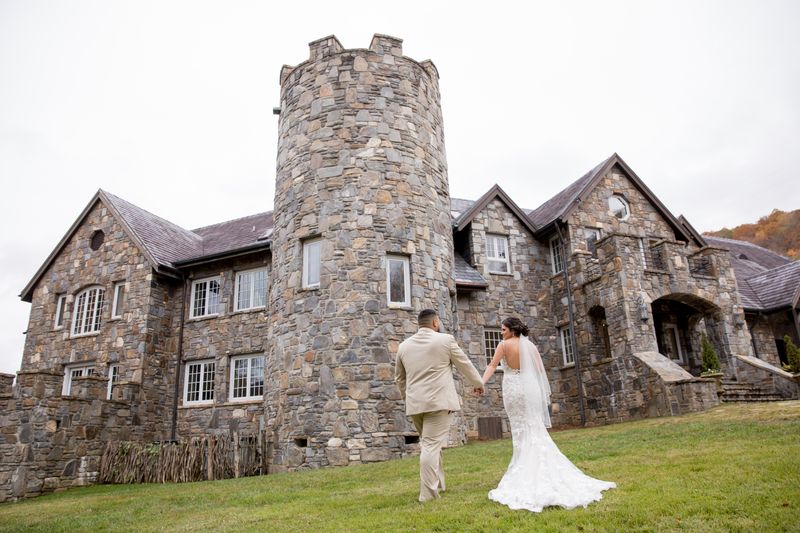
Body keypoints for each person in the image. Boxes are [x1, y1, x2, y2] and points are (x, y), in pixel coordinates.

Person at [482, 317, 616, 512]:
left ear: (512, 330)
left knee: (519, 429)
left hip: (513, 390)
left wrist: (481, 383)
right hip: (530, 390)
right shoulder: (531, 347)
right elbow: (539, 371)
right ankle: (536, 466)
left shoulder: (503, 345)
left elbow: (492, 366)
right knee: (533, 426)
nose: (501, 333)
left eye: (503, 329)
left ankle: (524, 471)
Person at [395, 308, 485, 502]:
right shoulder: (445, 340)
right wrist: (478, 383)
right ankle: (427, 495)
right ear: (435, 322)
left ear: (419, 324)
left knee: (431, 443)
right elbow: (465, 364)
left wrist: (407, 398)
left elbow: (399, 379)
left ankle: (439, 484)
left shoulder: (403, 346)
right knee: (430, 445)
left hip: (416, 404)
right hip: (438, 402)